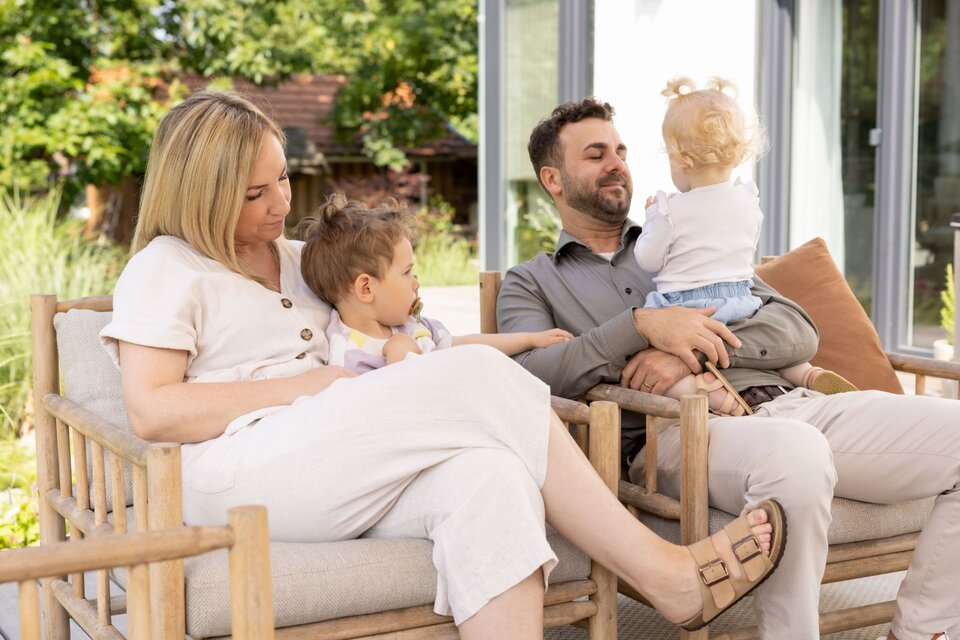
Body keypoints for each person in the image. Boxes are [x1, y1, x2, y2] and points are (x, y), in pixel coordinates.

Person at [98, 90, 786, 638]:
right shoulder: (166, 268)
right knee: (480, 378)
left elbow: (387, 328)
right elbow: (152, 410)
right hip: (235, 473)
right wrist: (308, 387)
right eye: (255, 194)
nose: (281, 202)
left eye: (282, 178)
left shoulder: (297, 259)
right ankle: (663, 574)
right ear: (201, 193)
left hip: (338, 457)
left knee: (488, 478)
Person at [498, 96, 960, 640]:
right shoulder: (532, 281)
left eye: (620, 149)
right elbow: (529, 374)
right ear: (552, 179)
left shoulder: (697, 239)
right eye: (595, 154)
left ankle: (922, 632)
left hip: (789, 403)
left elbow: (797, 329)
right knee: (795, 452)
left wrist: (683, 350)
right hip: (676, 434)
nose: (617, 163)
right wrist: (640, 326)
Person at [636, 77, 855, 417]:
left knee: (667, 375)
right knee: (762, 349)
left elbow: (648, 259)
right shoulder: (747, 199)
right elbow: (744, 246)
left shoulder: (670, 210)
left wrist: (651, 218)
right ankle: (808, 373)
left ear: (678, 159)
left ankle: (723, 399)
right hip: (742, 301)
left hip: (690, 311)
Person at [297, 195, 572, 373]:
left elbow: (466, 343)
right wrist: (402, 359)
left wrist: (532, 339)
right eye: (406, 273)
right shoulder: (349, 357)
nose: (416, 283)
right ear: (366, 289)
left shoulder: (412, 326)